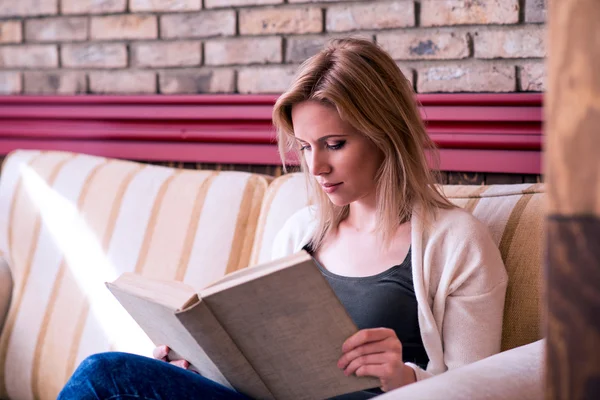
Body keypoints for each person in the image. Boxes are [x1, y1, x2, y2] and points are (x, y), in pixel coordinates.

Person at [58, 38, 508, 400]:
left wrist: (405, 378)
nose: (315, 168)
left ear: (385, 135)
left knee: (106, 375)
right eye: (305, 147)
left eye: (334, 144)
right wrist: (201, 360)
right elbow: (262, 365)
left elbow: (485, 388)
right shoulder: (301, 231)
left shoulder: (457, 243)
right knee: (128, 381)